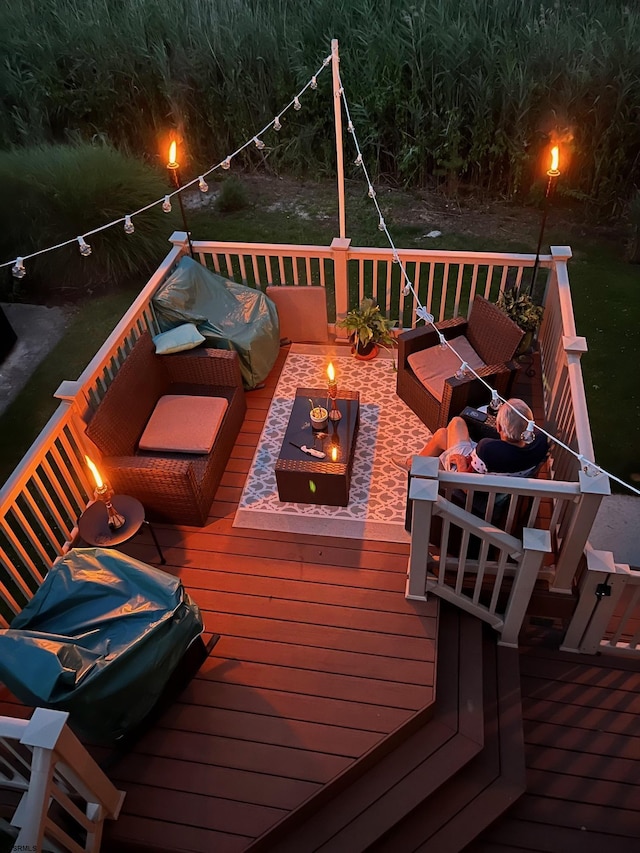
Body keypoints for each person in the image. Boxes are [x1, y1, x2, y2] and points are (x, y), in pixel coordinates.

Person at [392, 398, 548, 476]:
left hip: (466, 479)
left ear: (499, 427)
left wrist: (460, 462)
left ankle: (412, 465)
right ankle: (413, 464)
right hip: (501, 477)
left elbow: (467, 485)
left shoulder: (488, 449)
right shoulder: (540, 443)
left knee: (457, 422)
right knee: (441, 435)